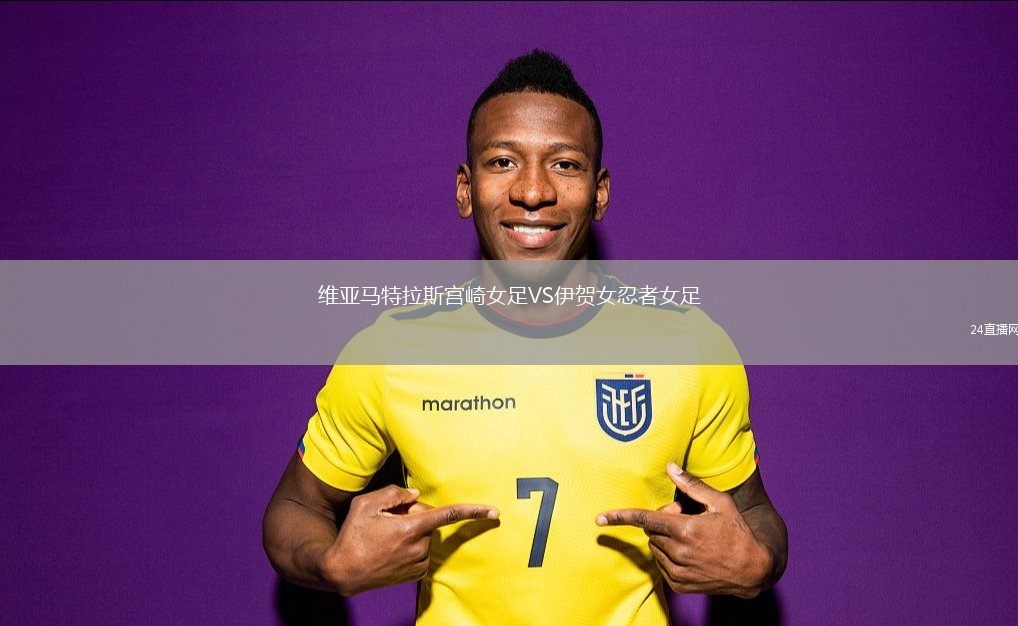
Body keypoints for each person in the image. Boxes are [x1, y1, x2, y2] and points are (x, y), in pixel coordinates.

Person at [263, 49, 787, 625]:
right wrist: (330, 563)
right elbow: (295, 505)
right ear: (465, 189)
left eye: (564, 164)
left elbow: (755, 513)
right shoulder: (390, 354)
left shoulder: (690, 349)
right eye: (502, 161)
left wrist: (757, 563)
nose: (533, 191)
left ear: (600, 192)